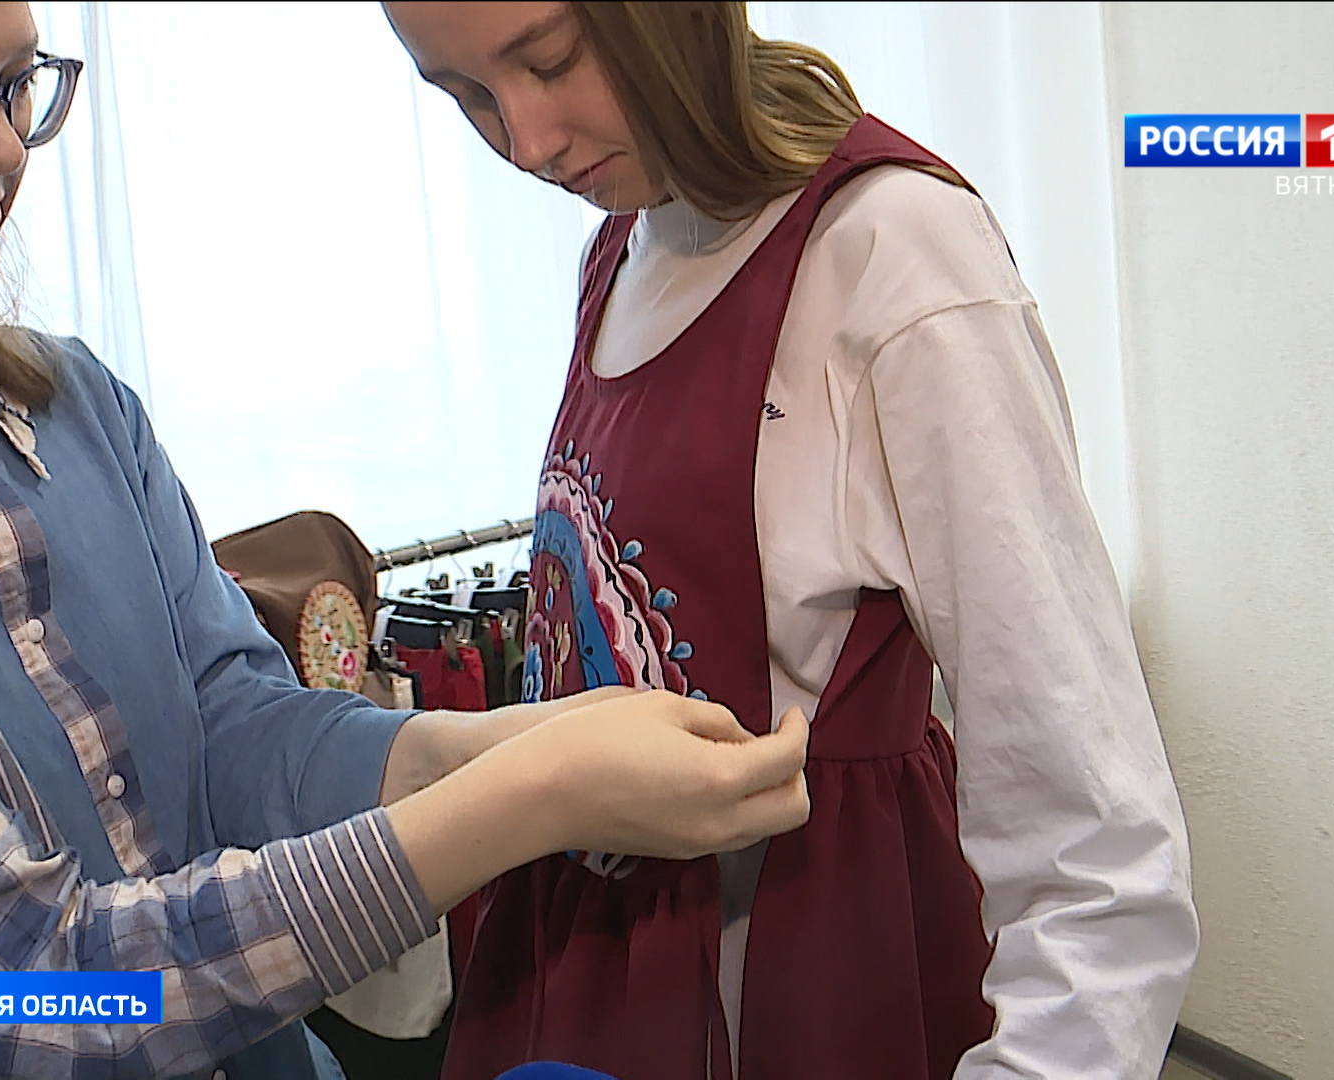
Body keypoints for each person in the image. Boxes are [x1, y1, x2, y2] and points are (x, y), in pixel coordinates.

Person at [0, 4, 815, 1079]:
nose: (2, 146)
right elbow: (43, 988)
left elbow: (233, 731)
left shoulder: (70, 406)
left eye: (17, 86)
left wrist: (501, 744)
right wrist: (531, 798)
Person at [382, 3, 1201, 1078]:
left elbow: (1097, 852)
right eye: (468, 98)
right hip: (585, 981)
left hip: (802, 983)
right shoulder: (619, 250)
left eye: (552, 60)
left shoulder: (891, 257)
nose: (528, 143)